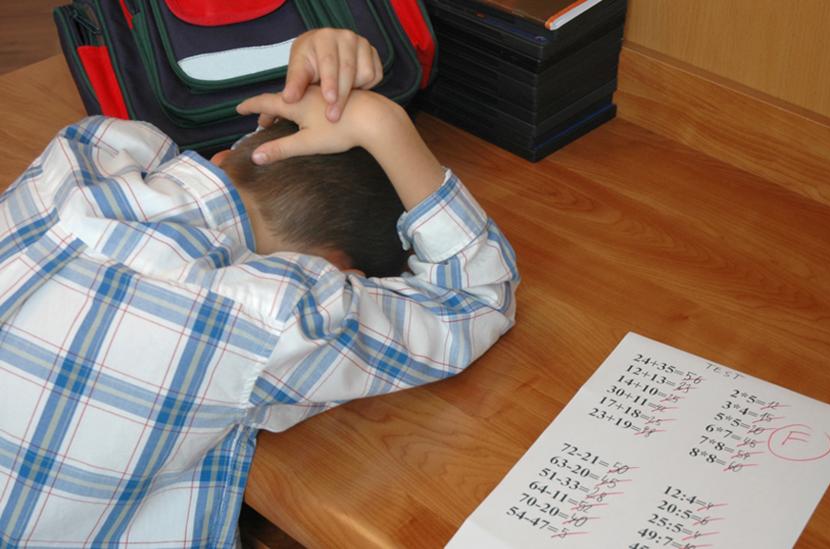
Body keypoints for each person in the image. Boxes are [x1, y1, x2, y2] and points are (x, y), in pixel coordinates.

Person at [0, 29, 518, 547]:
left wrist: (316, 93)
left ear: (223, 157)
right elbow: (476, 298)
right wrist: (386, 127)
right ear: (336, 270)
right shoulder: (275, 314)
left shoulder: (77, 158)